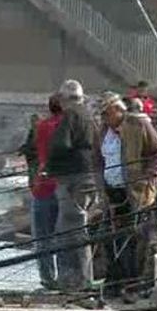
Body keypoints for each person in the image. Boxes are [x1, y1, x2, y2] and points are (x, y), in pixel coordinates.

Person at [96, 92, 157, 302]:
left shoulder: (139, 125)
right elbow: (96, 159)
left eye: (105, 113)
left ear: (117, 110)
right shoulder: (102, 131)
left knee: (135, 239)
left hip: (137, 193)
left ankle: (133, 285)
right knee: (111, 238)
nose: (103, 118)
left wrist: (149, 178)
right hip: (112, 191)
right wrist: (100, 184)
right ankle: (114, 282)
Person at [46, 80, 98, 290]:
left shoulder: (71, 115)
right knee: (77, 228)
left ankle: (75, 281)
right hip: (89, 176)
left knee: (69, 231)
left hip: (71, 178)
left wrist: (49, 166)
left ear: (64, 99)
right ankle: (80, 280)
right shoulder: (89, 116)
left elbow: (61, 143)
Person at [30, 93, 63, 289]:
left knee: (43, 238)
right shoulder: (76, 125)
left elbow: (40, 152)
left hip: (44, 187)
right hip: (67, 188)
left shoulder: (43, 126)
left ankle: (48, 279)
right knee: (65, 236)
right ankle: (67, 276)